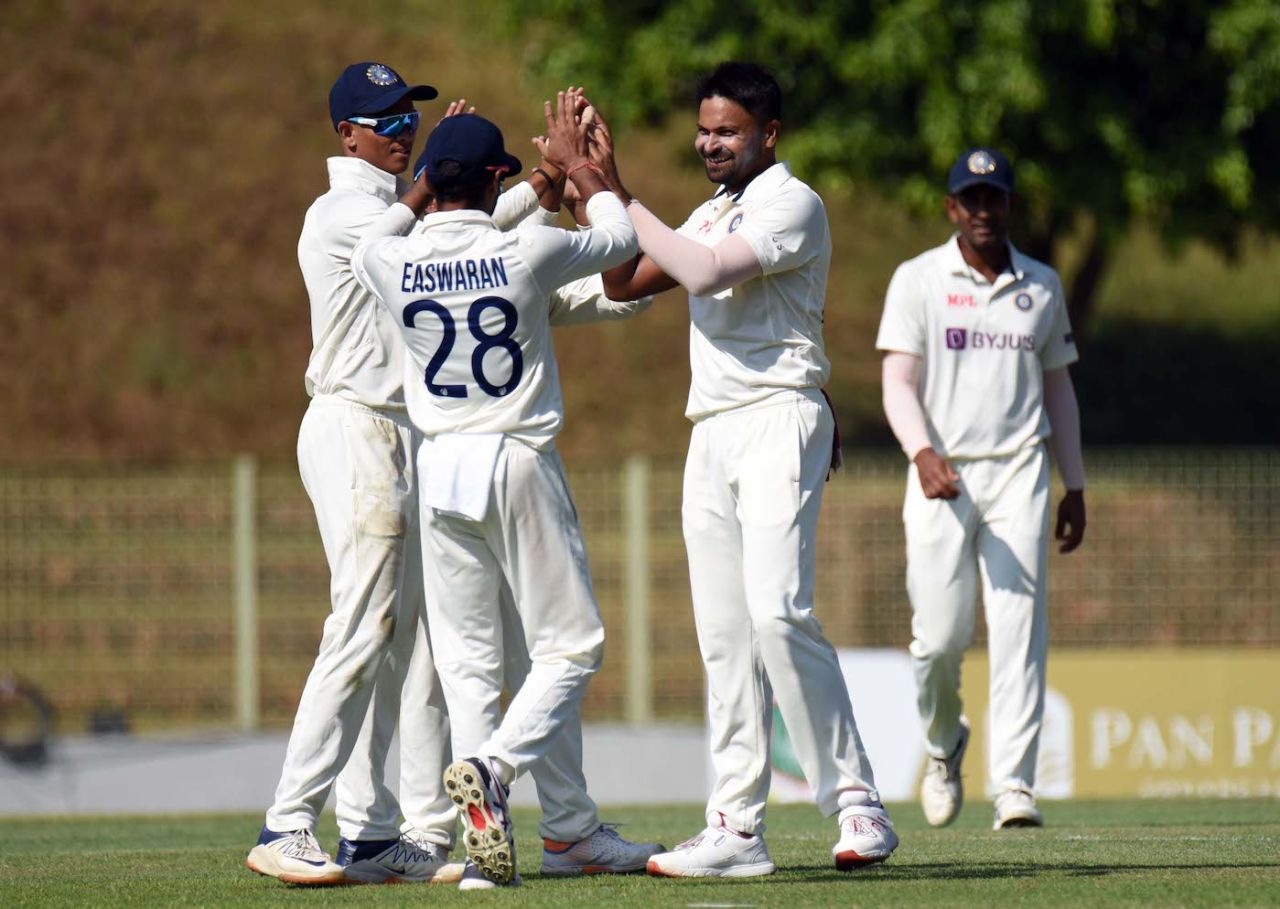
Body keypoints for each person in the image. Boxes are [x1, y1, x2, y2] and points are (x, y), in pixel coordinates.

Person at [590, 61, 898, 877]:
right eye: (704, 129)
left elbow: (703, 271)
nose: (710, 142)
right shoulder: (710, 209)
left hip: (776, 418)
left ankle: (858, 801)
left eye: (728, 130)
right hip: (713, 430)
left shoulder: (792, 203)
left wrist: (616, 188)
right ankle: (735, 827)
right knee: (725, 633)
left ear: (770, 133)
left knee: (778, 612)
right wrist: (584, 194)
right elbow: (626, 280)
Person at [349, 97, 640, 887]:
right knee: (572, 646)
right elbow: (620, 240)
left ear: (429, 184)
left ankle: (485, 858)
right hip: (513, 455)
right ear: (495, 180)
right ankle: (495, 769)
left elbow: (377, 238)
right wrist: (581, 168)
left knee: (470, 666)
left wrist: (421, 182)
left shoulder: (392, 261)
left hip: (437, 467)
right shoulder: (524, 252)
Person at [875, 147, 1086, 830]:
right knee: (938, 639)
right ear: (951, 208)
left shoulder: (1042, 287)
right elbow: (897, 382)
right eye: (971, 199)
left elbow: (1059, 387)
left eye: (994, 198)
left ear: (1009, 205)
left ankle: (1015, 785)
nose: (983, 211)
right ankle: (943, 746)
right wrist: (923, 451)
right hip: (943, 475)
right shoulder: (918, 280)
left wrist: (1074, 482)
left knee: (1020, 628)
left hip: (1019, 471)